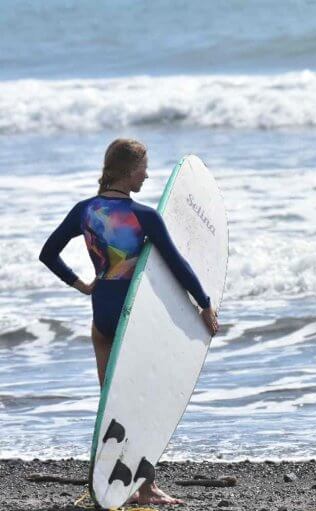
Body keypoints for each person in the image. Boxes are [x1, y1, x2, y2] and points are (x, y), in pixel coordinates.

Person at [39, 138, 218, 506]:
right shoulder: (144, 216)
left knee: (114, 402)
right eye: (143, 168)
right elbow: (177, 264)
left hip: (102, 314)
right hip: (132, 318)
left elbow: (48, 253)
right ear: (128, 170)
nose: (147, 175)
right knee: (144, 401)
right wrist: (204, 303)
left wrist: (81, 285)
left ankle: (113, 482)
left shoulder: (84, 211)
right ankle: (144, 487)